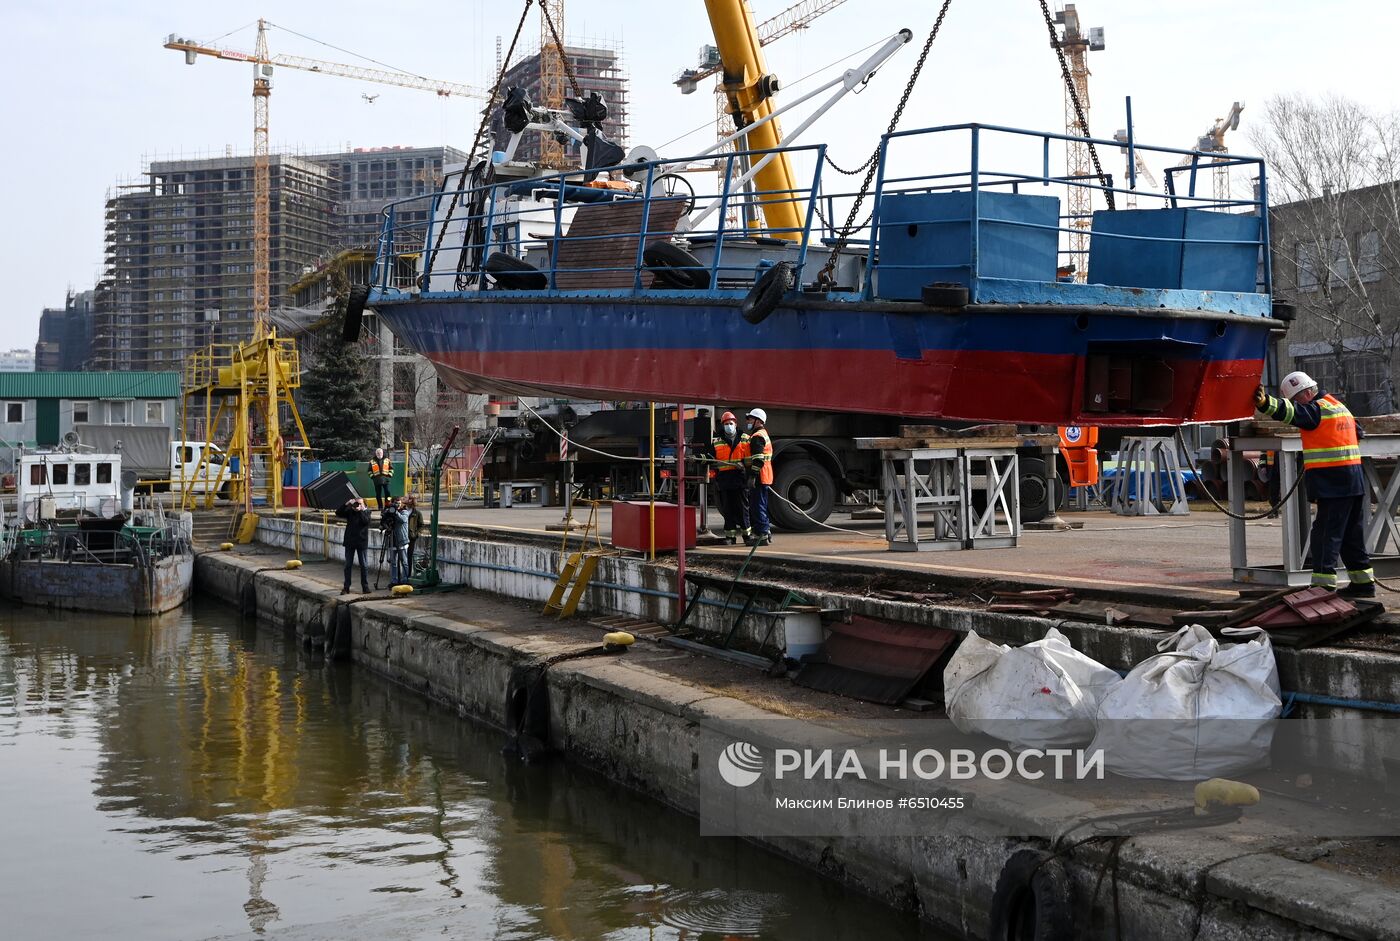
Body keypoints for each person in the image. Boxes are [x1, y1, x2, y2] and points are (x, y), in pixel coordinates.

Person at [1255, 371, 1374, 597]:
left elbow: (1294, 414)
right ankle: (1363, 584)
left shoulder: (1316, 409)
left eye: (1298, 398)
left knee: (1324, 536)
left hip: (1334, 484)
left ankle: (1323, 587)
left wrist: (1265, 403)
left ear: (1308, 392)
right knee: (1351, 536)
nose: (1298, 403)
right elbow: (1358, 431)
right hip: (1353, 482)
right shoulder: (1340, 407)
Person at [707, 410, 751, 544]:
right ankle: (730, 537)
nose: (729, 426)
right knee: (728, 509)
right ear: (722, 425)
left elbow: (750, 459)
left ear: (736, 424)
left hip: (740, 478)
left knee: (743, 508)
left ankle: (747, 536)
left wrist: (743, 464)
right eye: (726, 424)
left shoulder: (745, 439)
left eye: (731, 423)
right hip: (725, 480)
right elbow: (710, 458)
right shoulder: (717, 442)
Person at [744, 407, 774, 546]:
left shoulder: (757, 437)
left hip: (760, 477)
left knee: (757, 506)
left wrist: (752, 477)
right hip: (765, 476)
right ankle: (766, 532)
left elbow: (758, 460)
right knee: (761, 505)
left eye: (750, 418)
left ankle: (762, 535)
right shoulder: (763, 434)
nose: (748, 421)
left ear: (758, 421)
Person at [336, 497, 372, 594]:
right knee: (348, 565)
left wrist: (360, 511)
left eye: (360, 504)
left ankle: (365, 586)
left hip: (361, 542)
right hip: (350, 541)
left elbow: (366, 521)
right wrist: (346, 504)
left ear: (364, 505)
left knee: (364, 565)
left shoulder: (367, 512)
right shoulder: (350, 512)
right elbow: (338, 513)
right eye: (356, 504)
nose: (357, 506)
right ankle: (346, 587)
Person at [382, 497, 412, 586]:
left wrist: (395, 512)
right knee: (393, 563)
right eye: (395, 503)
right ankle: (394, 581)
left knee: (404, 562)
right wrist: (385, 516)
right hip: (392, 540)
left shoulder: (404, 512)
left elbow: (403, 520)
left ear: (401, 503)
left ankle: (405, 579)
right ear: (392, 503)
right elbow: (383, 522)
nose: (397, 505)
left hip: (402, 540)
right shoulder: (389, 512)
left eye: (399, 503)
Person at [404, 496, 424, 573]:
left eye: (411, 499)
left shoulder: (417, 513)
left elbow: (421, 525)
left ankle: (408, 575)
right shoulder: (401, 510)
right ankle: (400, 577)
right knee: (400, 558)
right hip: (402, 537)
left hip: (411, 538)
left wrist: (416, 534)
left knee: (409, 556)